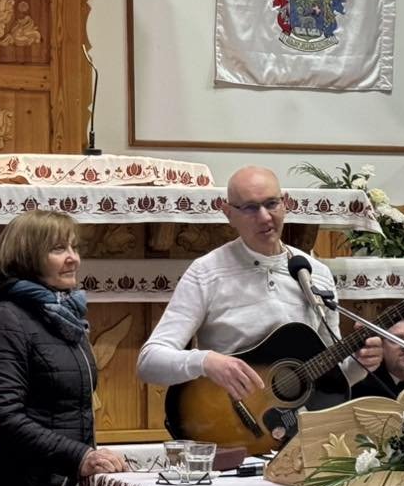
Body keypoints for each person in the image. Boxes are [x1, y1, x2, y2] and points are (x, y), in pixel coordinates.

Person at [137, 165, 383, 409]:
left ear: (285, 203)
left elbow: (328, 378)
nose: (265, 217)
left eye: (271, 204)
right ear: (228, 214)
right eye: (250, 208)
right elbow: (149, 362)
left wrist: (360, 365)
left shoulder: (315, 274)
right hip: (226, 419)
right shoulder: (206, 272)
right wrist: (206, 362)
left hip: (299, 425)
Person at [0, 209, 128, 486]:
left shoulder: (63, 316)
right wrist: (80, 456)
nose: (74, 258)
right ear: (26, 256)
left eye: (74, 247)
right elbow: (3, 417)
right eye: (59, 249)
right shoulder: (4, 319)